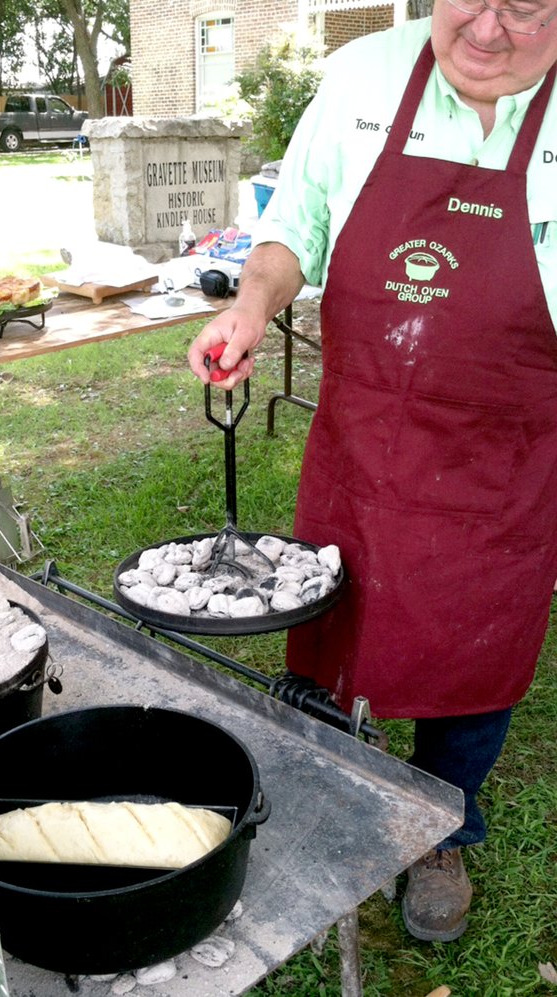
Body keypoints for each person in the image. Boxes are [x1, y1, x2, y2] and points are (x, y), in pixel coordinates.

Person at [188, 0, 557, 943]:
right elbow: (294, 224)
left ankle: (441, 823)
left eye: (528, 6)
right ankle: (323, 782)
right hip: (368, 432)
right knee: (337, 606)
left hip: (510, 447)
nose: (489, 28)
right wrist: (253, 309)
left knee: (478, 633)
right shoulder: (362, 76)